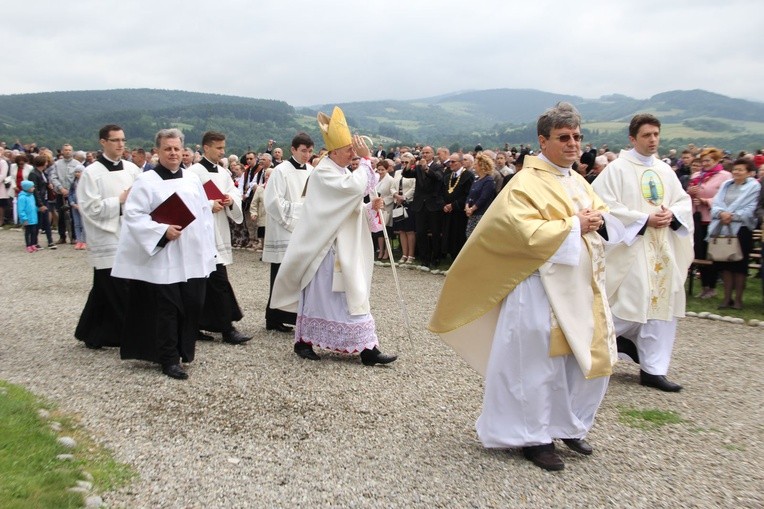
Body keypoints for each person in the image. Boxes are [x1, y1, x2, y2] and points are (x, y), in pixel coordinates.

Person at [429, 102, 623, 471]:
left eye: (577, 137)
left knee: (577, 361)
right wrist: (572, 226)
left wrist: (599, 220)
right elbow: (518, 233)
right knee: (534, 366)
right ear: (542, 140)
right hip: (537, 288)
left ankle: (565, 425)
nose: (573, 144)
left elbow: (599, 217)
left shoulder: (577, 180)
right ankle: (531, 437)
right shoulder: (525, 182)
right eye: (563, 138)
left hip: (578, 289)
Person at [271, 106, 397, 367]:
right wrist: (365, 160)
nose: (352, 154)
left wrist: (366, 208)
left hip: (341, 246)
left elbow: (347, 205)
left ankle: (367, 347)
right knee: (330, 296)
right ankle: (305, 341)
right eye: (349, 150)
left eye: (353, 150)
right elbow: (352, 189)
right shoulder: (325, 172)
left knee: (351, 293)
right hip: (326, 249)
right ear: (335, 152)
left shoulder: (340, 171)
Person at [592, 113, 694, 392]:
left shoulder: (665, 170)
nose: (653, 140)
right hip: (632, 249)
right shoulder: (617, 170)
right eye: (647, 135)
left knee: (662, 308)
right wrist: (643, 219)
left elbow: (683, 201)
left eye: (656, 135)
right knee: (626, 303)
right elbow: (602, 205)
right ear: (632, 138)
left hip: (662, 249)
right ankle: (592, 352)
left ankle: (654, 369)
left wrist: (673, 214)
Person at [111, 128, 217, 380]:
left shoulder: (191, 179)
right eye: (167, 148)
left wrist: (207, 249)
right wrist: (161, 230)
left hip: (190, 253)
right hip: (164, 254)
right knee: (167, 308)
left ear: (184, 151)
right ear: (157, 151)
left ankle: (182, 351)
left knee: (192, 304)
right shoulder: (146, 181)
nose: (172, 153)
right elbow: (134, 216)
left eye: (177, 148)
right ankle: (168, 359)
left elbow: (203, 214)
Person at [75, 125, 143, 348]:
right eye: (115, 140)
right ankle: (129, 334)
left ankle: (92, 333)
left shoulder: (133, 169)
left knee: (105, 288)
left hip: (129, 232)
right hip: (106, 235)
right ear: (102, 142)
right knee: (116, 286)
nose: (121, 144)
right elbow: (89, 208)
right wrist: (119, 201)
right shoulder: (91, 173)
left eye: (123, 140)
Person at [187, 131, 250, 344]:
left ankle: (201, 325)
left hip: (219, 229)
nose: (222, 152)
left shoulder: (223, 172)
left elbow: (233, 193)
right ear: (206, 147)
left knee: (213, 281)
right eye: (218, 148)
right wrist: (208, 205)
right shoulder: (193, 172)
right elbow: (186, 201)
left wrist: (228, 200)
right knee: (212, 281)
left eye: (224, 148)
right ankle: (226, 329)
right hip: (201, 233)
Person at [262, 132, 314, 333]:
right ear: (293, 149)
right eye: (303, 151)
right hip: (284, 228)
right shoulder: (280, 170)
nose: (306, 155)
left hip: (303, 229)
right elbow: (273, 202)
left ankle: (291, 316)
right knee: (280, 274)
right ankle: (273, 318)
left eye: (309, 151)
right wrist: (301, 212)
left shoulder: (311, 170)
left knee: (296, 275)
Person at [707, 158, 760, 309]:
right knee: (725, 264)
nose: (737, 172)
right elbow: (716, 203)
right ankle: (726, 297)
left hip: (741, 229)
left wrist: (733, 216)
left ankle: (738, 299)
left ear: (749, 173)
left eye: (741, 170)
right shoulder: (726, 185)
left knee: (739, 266)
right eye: (735, 169)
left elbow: (751, 208)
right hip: (723, 227)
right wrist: (722, 213)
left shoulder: (753, 187)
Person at [687, 148, 731, 299]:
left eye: (708, 161)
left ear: (717, 161)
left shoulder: (725, 177)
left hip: (713, 220)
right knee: (699, 253)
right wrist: (690, 193)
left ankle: (712, 286)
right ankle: (704, 286)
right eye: (703, 161)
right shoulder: (697, 175)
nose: (704, 164)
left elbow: (725, 198)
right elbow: (689, 196)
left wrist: (706, 201)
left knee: (711, 254)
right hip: (698, 218)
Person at [402, 146, 444, 268]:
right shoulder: (419, 167)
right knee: (420, 233)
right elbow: (407, 174)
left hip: (433, 204)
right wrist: (410, 164)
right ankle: (424, 258)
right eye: (423, 153)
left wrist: (426, 168)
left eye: (427, 152)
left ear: (433, 154)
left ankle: (436, 258)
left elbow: (438, 177)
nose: (424, 154)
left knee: (435, 233)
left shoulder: (438, 166)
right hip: (420, 205)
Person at [441, 152, 474, 260]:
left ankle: (459, 257)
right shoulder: (447, 177)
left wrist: (454, 205)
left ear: (461, 163)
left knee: (458, 235)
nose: (450, 164)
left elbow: (468, 195)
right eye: (449, 162)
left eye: (453, 162)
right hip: (448, 212)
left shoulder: (468, 176)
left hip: (459, 212)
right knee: (448, 234)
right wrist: (445, 205)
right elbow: (441, 192)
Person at [50, 144, 85, 244]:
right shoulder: (57, 164)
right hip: (60, 193)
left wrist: (70, 190)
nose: (68, 152)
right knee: (61, 215)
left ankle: (74, 236)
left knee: (74, 216)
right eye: (65, 150)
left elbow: (81, 177)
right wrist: (60, 188)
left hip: (73, 193)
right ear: (62, 151)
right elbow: (53, 177)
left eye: (69, 150)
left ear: (72, 151)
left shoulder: (77, 164)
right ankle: (62, 236)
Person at [391, 153, 417, 264]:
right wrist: (396, 195)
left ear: (411, 162)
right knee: (401, 230)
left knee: (409, 230)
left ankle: (411, 255)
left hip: (408, 203)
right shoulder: (397, 172)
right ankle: (404, 254)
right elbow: (392, 187)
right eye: (402, 162)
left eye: (406, 162)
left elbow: (414, 187)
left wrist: (404, 197)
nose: (404, 164)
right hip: (397, 203)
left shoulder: (414, 172)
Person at [464, 154, 497, 239]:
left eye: (475, 164)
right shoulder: (476, 179)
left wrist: (472, 209)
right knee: (469, 236)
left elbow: (483, 198)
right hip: (472, 214)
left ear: (482, 166)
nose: (474, 166)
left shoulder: (488, 181)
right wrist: (467, 206)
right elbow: (470, 195)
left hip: (481, 214)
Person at [17, 180, 39, 252]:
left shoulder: (31, 196)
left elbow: (33, 206)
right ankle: (28, 245)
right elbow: (21, 209)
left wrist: (37, 210)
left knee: (34, 232)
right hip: (27, 219)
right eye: (32, 187)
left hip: (33, 218)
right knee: (28, 232)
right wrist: (24, 218)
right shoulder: (22, 197)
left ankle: (33, 244)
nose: (33, 188)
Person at [68, 167, 86, 250]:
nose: (77, 173)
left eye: (79, 172)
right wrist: (72, 203)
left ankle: (84, 241)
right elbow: (70, 193)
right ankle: (78, 240)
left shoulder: (86, 183)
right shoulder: (73, 183)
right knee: (77, 224)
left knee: (84, 224)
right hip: (74, 206)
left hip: (83, 206)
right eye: (76, 172)